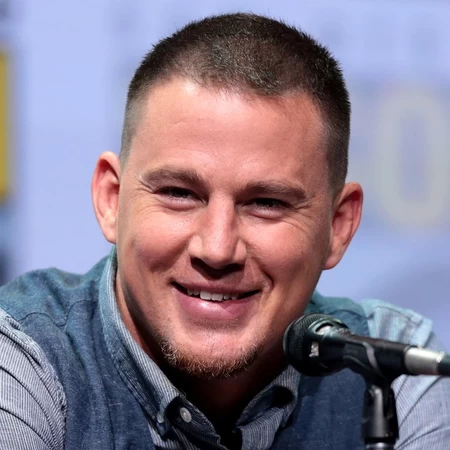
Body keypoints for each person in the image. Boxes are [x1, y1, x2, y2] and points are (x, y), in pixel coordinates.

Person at [0, 12, 449, 450]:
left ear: (339, 225)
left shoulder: (392, 369)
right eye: (179, 193)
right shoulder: (24, 357)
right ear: (111, 199)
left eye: (266, 203)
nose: (217, 249)